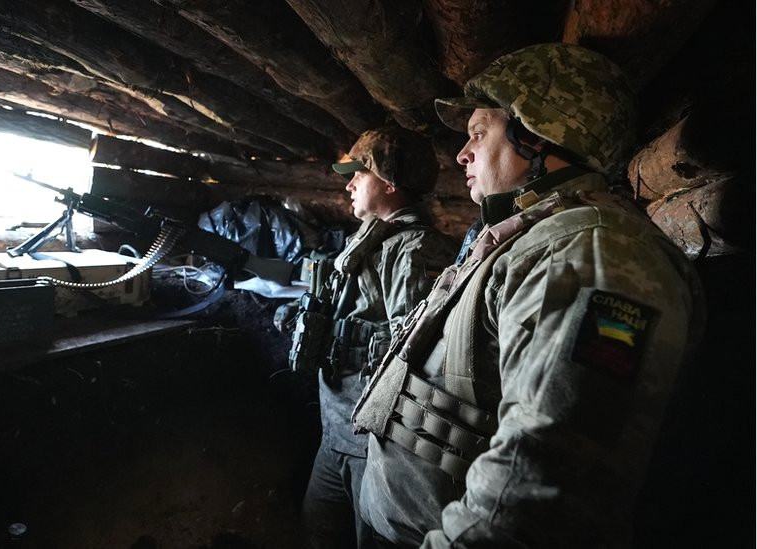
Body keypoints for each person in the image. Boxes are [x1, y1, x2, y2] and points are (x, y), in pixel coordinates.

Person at [352, 43, 705, 548]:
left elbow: (540, 494)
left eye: (479, 132)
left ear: (541, 134)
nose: (462, 153)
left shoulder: (594, 257)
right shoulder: (525, 239)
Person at [275, 126, 456, 549]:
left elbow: (418, 360)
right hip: (335, 434)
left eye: (361, 172)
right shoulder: (366, 240)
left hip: (376, 448)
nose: (349, 182)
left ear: (391, 183)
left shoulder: (415, 250)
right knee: (317, 533)